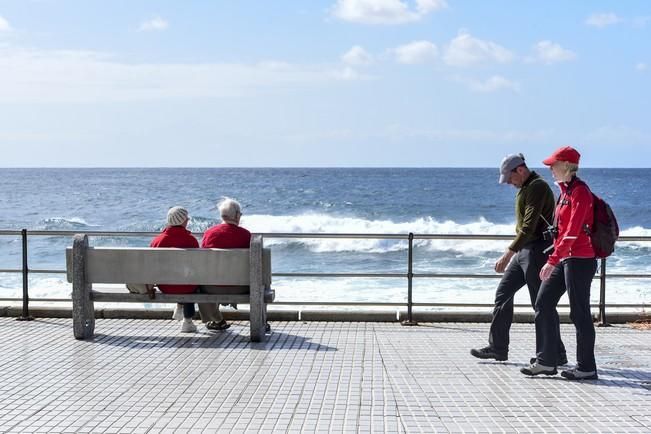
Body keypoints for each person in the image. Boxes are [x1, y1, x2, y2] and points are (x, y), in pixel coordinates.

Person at [471, 153, 566, 363]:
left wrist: (507, 254)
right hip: (525, 250)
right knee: (503, 294)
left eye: (510, 178)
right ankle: (498, 348)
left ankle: (556, 353)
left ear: (520, 170)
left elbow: (529, 226)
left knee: (541, 304)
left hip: (538, 251)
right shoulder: (525, 187)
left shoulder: (537, 187)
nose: (509, 183)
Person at [521, 146, 599, 380]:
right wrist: (555, 256)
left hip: (580, 260)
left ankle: (586, 367)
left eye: (553, 165)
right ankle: (547, 361)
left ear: (566, 165)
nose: (550, 169)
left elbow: (573, 233)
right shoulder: (564, 192)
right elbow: (561, 231)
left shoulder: (580, 193)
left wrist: (551, 261)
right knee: (543, 303)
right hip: (564, 258)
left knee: (579, 313)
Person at [197, 197, 252, 331]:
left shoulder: (209, 233)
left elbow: (202, 262)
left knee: (199, 283)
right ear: (237, 215)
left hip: (212, 288)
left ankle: (217, 320)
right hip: (242, 287)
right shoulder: (246, 235)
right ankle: (261, 321)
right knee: (260, 283)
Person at [150, 206, 200, 333]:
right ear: (183, 221)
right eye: (186, 219)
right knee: (189, 280)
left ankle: (179, 305)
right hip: (187, 287)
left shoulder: (157, 241)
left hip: (165, 286)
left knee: (179, 277)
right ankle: (187, 321)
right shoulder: (191, 241)